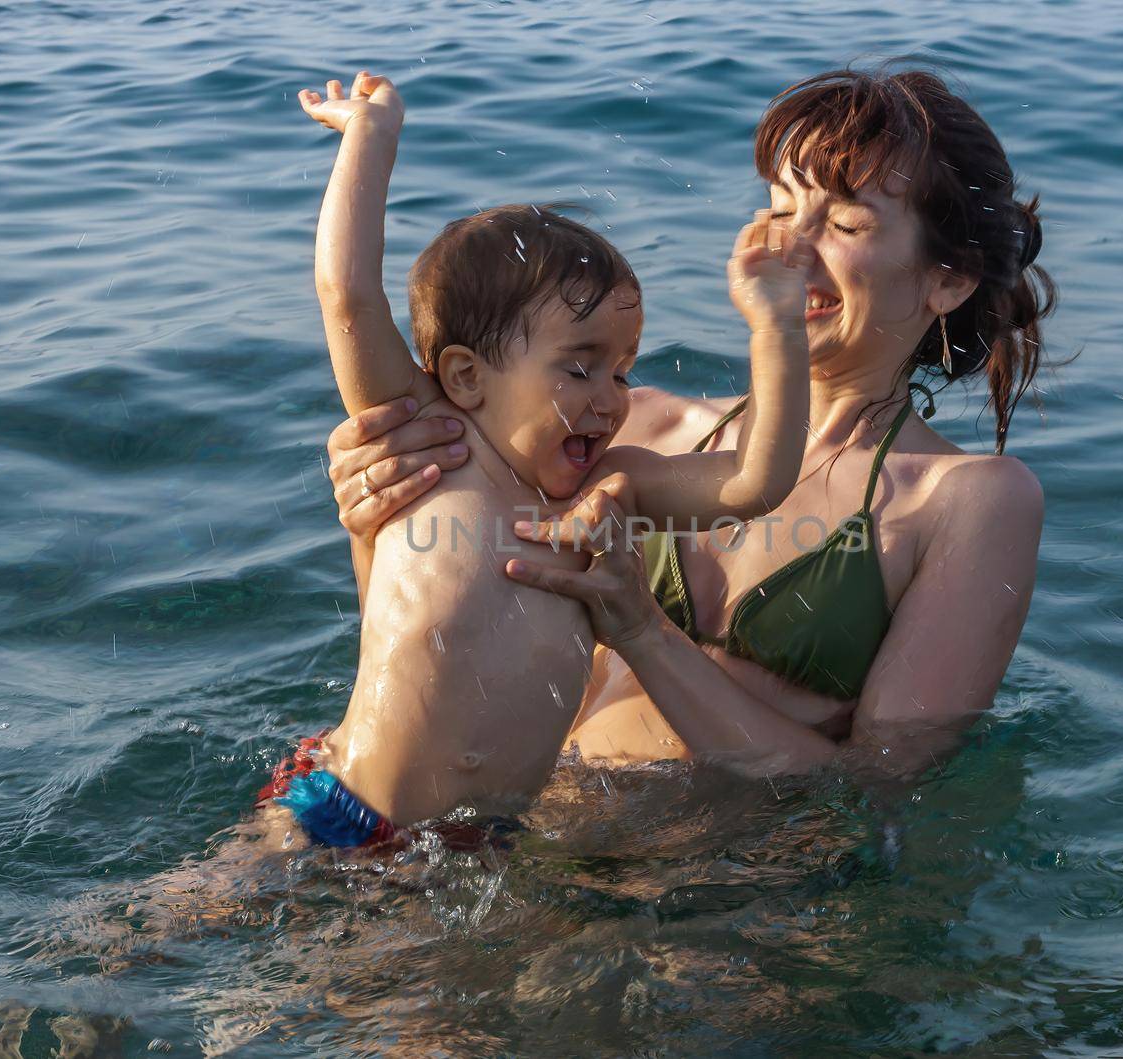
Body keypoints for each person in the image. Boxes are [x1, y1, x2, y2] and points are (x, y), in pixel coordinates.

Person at [326, 66, 1057, 782]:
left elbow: (881, 786)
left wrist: (642, 629)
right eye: (779, 209)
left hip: (696, 892)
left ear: (949, 278)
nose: (792, 246)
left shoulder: (971, 499)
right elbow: (447, 636)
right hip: (488, 839)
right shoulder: (632, 423)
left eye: (842, 222)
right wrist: (384, 517)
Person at [266, 69, 815, 849]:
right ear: (466, 376)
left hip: (476, 855)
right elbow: (348, 293)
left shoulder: (606, 492)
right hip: (338, 810)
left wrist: (777, 330)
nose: (611, 396)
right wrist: (372, 136)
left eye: (623, 369)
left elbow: (756, 480)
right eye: (580, 366)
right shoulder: (434, 436)